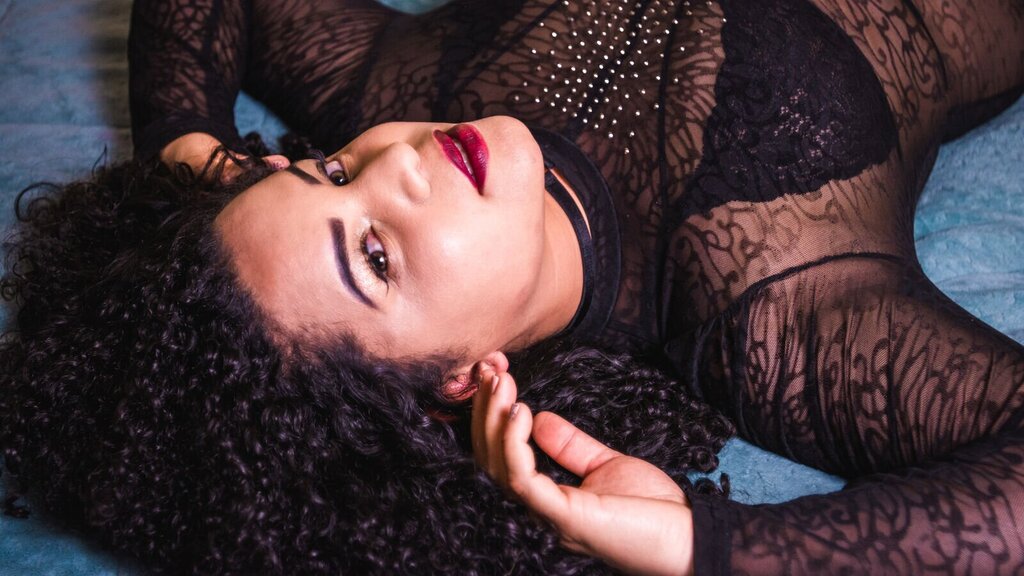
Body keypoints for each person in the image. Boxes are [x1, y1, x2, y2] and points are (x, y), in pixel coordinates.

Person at [2, 0, 1023, 573]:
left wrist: (186, 154)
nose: (398, 165)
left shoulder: (395, 90)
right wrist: (700, 546)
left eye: (329, 172)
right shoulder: (768, 302)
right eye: (375, 258)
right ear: (451, 383)